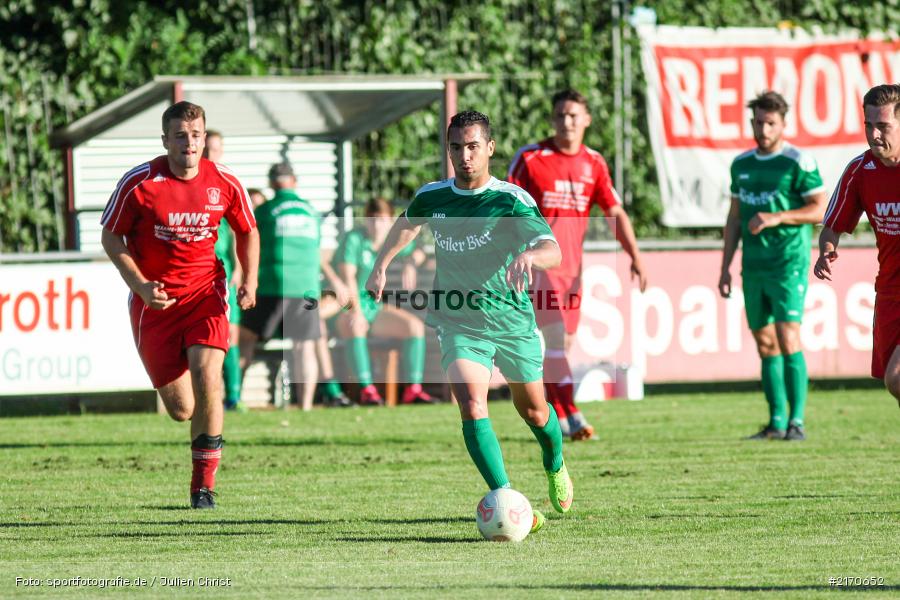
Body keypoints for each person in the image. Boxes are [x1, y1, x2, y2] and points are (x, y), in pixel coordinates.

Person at [366, 110, 575, 533]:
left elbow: (552, 248)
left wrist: (530, 255)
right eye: (457, 147)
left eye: (473, 146)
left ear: (490, 149)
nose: (464, 156)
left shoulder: (510, 200)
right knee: (472, 404)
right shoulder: (433, 196)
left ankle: (554, 461)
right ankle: (510, 500)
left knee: (534, 413)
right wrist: (381, 264)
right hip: (458, 320)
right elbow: (407, 227)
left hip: (511, 320)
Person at [100, 101, 259, 509]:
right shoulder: (140, 183)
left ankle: (203, 486)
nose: (189, 143)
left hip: (206, 293)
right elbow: (111, 238)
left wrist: (248, 277)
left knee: (209, 379)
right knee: (182, 408)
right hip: (154, 306)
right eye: (180, 136)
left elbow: (247, 230)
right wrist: (139, 284)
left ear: (204, 137)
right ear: (165, 140)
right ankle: (197, 445)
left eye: (196, 135)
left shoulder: (224, 181)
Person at [508, 89, 647, 441]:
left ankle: (554, 411)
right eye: (560, 115)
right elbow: (505, 208)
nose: (566, 122)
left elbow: (614, 210)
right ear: (552, 120)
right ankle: (572, 416)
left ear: (586, 119)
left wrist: (635, 256)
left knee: (564, 344)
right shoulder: (531, 158)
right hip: (537, 265)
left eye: (573, 115)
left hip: (572, 271)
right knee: (555, 341)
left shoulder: (594, 163)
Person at [719, 91, 827, 441]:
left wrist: (777, 217)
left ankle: (797, 422)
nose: (763, 129)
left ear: (783, 124)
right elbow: (735, 218)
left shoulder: (799, 161)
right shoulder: (742, 164)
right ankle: (776, 421)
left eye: (770, 123)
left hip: (788, 265)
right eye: (758, 122)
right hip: (754, 266)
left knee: (788, 336)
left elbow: (819, 210)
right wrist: (724, 267)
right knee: (765, 343)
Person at [816, 83, 900, 408]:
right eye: (869, 126)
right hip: (891, 292)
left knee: (896, 377)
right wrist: (827, 248)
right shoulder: (860, 171)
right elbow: (832, 226)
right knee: (894, 384)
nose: (874, 135)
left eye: (883, 126)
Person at [332, 197, 432, 406]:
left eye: (382, 219)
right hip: (344, 304)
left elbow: (419, 250)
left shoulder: (390, 241)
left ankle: (413, 390)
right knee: (355, 325)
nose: (376, 224)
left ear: (390, 221)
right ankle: (367, 390)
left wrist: (410, 263)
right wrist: (356, 312)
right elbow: (347, 278)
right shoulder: (355, 239)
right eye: (371, 219)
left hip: (372, 307)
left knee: (414, 327)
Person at [239, 163, 323, 411]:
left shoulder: (265, 211)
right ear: (294, 181)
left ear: (273, 183)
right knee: (304, 346)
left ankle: (234, 395)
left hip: (273, 284)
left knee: (246, 339)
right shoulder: (311, 211)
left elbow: (250, 242)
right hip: (307, 286)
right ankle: (306, 405)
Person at [204, 130, 246, 412]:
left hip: (224, 274)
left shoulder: (226, 184)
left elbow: (239, 232)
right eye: (207, 148)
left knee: (228, 335)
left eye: (215, 149)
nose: (210, 154)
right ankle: (206, 395)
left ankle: (233, 396)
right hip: (195, 274)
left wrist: (241, 270)